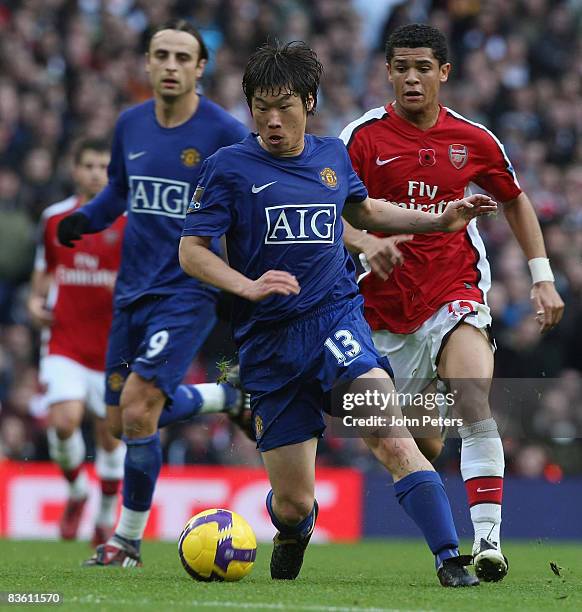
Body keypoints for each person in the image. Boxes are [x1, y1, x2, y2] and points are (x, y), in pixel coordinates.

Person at [179, 41, 498, 587]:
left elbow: (366, 210)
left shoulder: (331, 156)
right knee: (293, 502)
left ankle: (450, 559)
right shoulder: (227, 168)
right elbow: (192, 251)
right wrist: (247, 286)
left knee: (392, 437)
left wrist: (438, 221)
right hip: (268, 344)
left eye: (284, 107)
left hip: (335, 322)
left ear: (309, 102)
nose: (272, 121)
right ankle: (294, 530)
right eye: (260, 107)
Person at [340, 23, 565, 582]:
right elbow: (326, 210)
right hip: (379, 313)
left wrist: (541, 276)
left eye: (422, 68)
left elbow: (516, 202)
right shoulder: (361, 139)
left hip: (453, 290)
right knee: (421, 440)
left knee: (474, 398)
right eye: (400, 67)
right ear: (387, 72)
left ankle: (488, 542)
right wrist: (367, 242)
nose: (411, 78)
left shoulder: (476, 141)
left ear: (444, 73)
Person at [56, 20, 249, 567]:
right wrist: (85, 220)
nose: (169, 65)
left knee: (139, 411)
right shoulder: (130, 124)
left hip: (187, 290)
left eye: (181, 57)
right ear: (146, 62)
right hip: (131, 292)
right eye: (160, 55)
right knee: (119, 424)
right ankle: (223, 398)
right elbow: (119, 189)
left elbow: (254, 194)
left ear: (199, 68)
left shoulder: (223, 133)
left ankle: (127, 542)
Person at [28, 138, 126, 546]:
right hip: (65, 343)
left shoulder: (125, 221)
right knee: (63, 421)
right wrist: (35, 303)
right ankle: (75, 492)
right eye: (88, 165)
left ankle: (104, 516)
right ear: (75, 169)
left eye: (103, 166)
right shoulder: (55, 219)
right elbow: (44, 272)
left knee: (108, 436)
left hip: (112, 350)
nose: (95, 173)